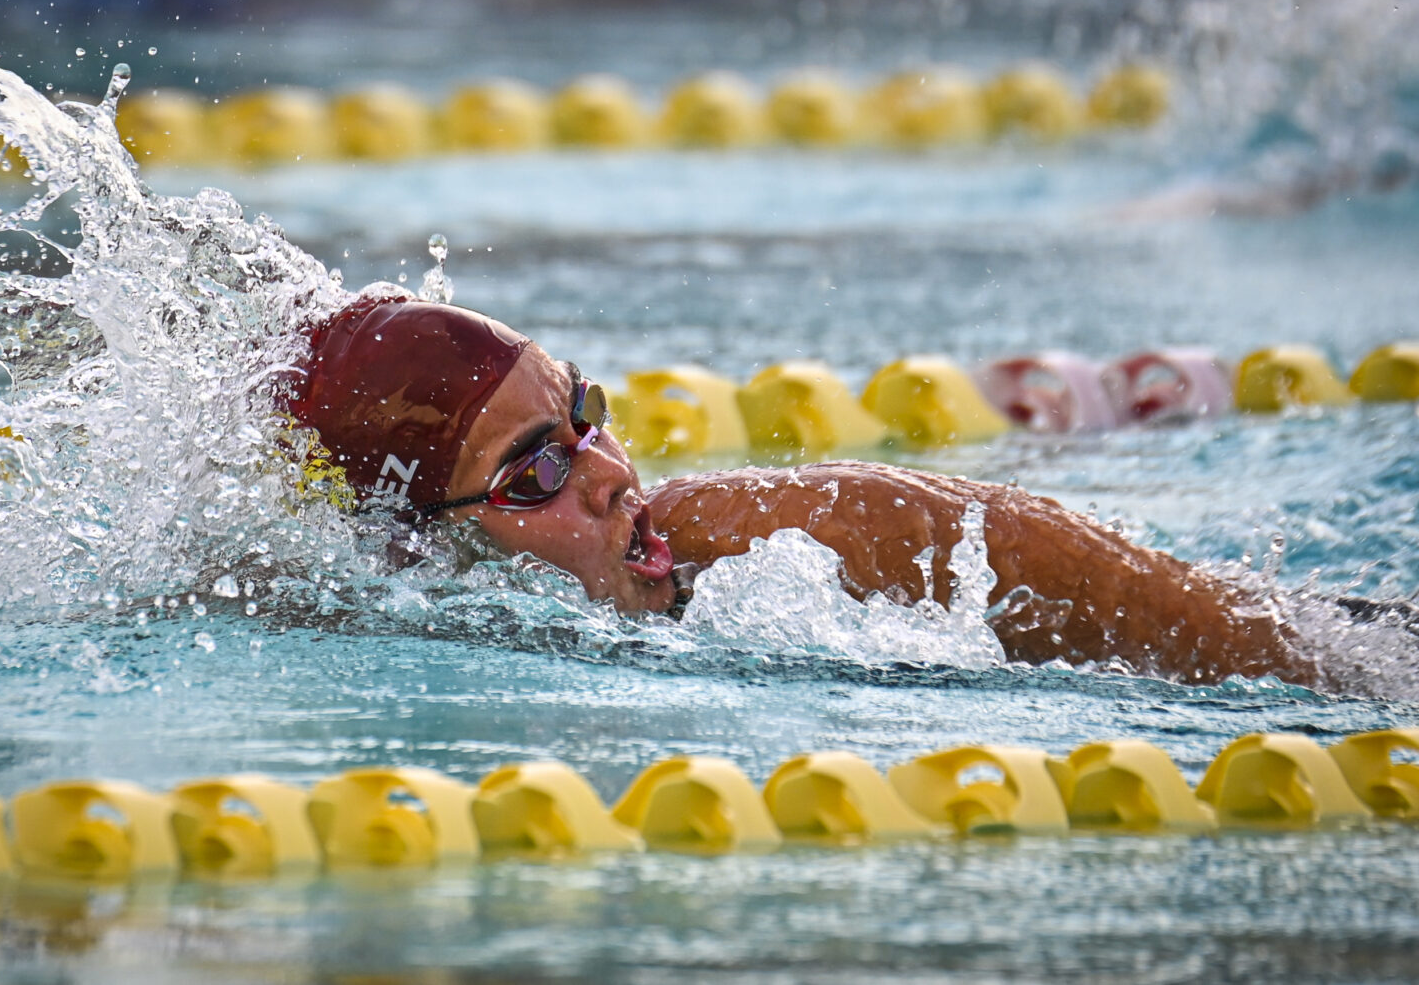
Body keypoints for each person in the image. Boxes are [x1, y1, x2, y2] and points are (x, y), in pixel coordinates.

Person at [285, 284, 1329, 687]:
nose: (609, 473)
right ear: (417, 542)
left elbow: (1200, 623)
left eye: (584, 416)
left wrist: (1344, 658)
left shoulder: (748, 541)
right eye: (539, 469)